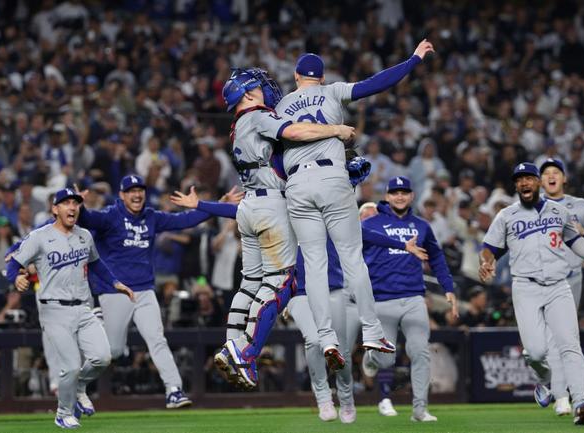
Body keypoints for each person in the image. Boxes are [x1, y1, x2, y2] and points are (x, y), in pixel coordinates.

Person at [185, 67, 355, 389]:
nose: (268, 90)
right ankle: (245, 353)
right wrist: (336, 130)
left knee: (250, 284)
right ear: (248, 94)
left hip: (250, 206)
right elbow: (293, 133)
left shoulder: (238, 126)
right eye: (260, 87)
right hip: (270, 206)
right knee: (282, 283)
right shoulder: (257, 115)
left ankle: (231, 344)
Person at [275, 39, 436, 367]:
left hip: (296, 184)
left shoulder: (280, 107)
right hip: (332, 178)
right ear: (320, 78)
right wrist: (413, 59)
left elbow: (276, 159)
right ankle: (373, 331)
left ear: (296, 76)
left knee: (315, 265)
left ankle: (326, 337)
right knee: (352, 260)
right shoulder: (332, 91)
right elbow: (378, 83)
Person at [478, 162, 584, 426]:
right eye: (520, 180)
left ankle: (581, 401)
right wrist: (486, 261)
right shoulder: (506, 215)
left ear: (538, 182)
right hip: (525, 287)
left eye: (529, 178)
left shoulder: (559, 211)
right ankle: (543, 381)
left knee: (570, 344)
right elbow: (488, 246)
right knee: (536, 352)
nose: (524, 183)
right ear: (516, 186)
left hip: (558, 285)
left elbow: (574, 239)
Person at [74, 174, 219, 408]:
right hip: (116, 291)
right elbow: (88, 220)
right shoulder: (111, 216)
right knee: (114, 351)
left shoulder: (151, 217)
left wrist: (217, 205)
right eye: (131, 190)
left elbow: (185, 220)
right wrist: (78, 206)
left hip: (144, 290)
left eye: (140, 190)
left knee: (157, 339)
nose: (137, 194)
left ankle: (174, 390)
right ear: (121, 195)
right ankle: (78, 383)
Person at [285, 204, 428, 423]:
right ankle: (323, 397)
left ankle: (346, 397)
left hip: (333, 290)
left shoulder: (333, 221)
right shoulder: (291, 220)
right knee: (314, 341)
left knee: (341, 351)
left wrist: (402, 245)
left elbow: (367, 233)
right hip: (301, 292)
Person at [5, 188, 134, 429]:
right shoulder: (39, 236)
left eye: (75, 203)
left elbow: (96, 264)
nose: (72, 207)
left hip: (83, 308)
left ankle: (80, 386)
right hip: (54, 310)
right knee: (72, 365)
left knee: (103, 357)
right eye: (66, 203)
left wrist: (116, 283)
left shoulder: (84, 235)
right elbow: (14, 262)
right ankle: (63, 412)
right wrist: (15, 279)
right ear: (55, 209)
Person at [359, 176, 458, 423]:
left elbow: (436, 257)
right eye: (395, 192)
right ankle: (371, 357)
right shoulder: (370, 224)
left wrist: (448, 287)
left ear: (412, 196)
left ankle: (420, 410)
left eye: (404, 192)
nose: (400, 196)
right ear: (387, 196)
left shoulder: (422, 226)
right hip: (381, 300)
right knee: (386, 359)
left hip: (414, 298)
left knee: (420, 352)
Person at [539, 158, 584, 416]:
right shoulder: (535, 207)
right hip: (544, 278)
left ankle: (560, 395)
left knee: (564, 337)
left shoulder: (579, 205)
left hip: (572, 276)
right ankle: (554, 390)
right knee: (546, 342)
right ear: (540, 180)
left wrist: (583, 233)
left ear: (564, 178)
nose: (551, 176)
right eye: (546, 173)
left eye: (556, 171)